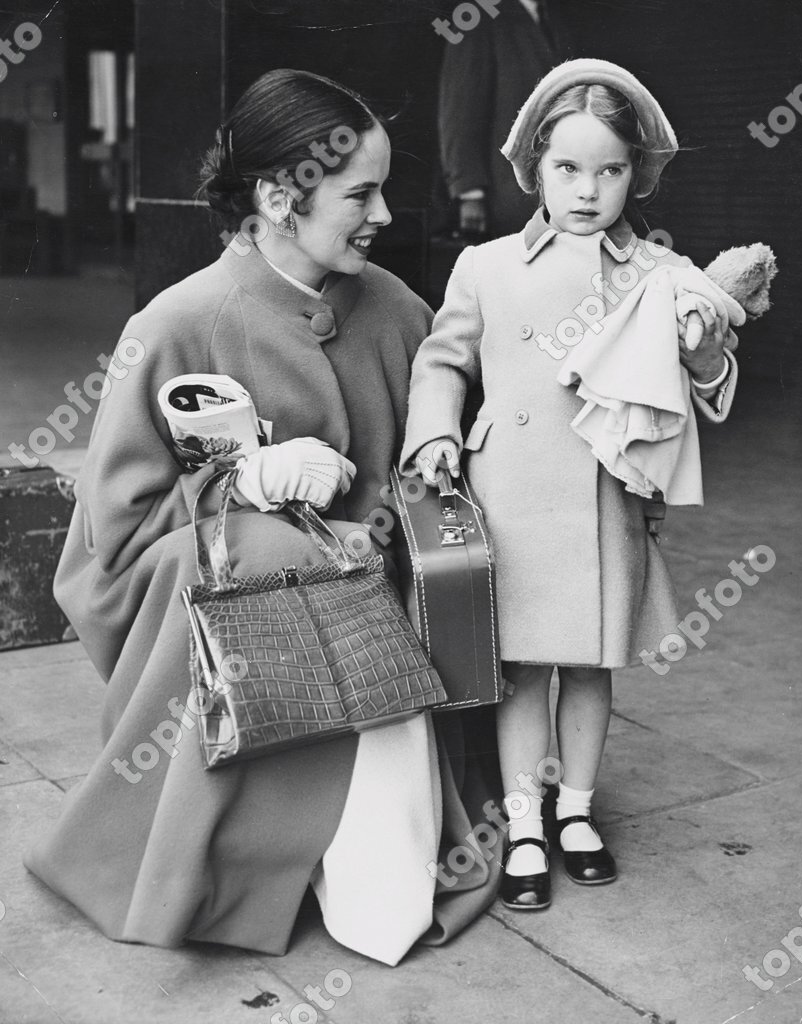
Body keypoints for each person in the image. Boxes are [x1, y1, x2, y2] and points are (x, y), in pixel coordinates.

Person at [24, 69, 498, 964]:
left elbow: (448, 477)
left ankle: (369, 872)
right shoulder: (176, 322)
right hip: (219, 626)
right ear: (281, 199)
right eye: (361, 193)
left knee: (333, 571)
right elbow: (108, 551)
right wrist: (242, 486)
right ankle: (294, 862)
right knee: (277, 548)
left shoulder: (400, 312)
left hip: (375, 621)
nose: (385, 215)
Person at [401, 59, 739, 910]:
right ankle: (522, 821)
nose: (587, 190)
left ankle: (577, 811)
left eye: (610, 170)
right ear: (533, 169)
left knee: (589, 661)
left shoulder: (657, 272)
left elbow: (703, 375)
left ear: (637, 172)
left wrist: (703, 346)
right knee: (519, 665)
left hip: (602, 491)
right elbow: (444, 359)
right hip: (510, 488)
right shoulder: (485, 265)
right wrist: (437, 431)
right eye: (566, 169)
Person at [437, 0, 574, 239]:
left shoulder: (551, 15)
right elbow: (460, 113)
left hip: (546, 197)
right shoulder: (477, 16)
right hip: (502, 201)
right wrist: (470, 193)